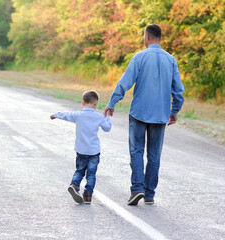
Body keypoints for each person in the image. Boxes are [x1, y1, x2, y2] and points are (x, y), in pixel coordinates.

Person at [104, 24, 185, 205]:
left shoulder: (139, 57)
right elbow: (178, 91)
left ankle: (137, 189)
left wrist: (112, 103)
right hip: (160, 115)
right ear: (160, 39)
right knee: (154, 155)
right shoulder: (171, 60)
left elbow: (124, 82)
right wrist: (174, 111)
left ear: (147, 37)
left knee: (136, 151)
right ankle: (149, 194)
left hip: (139, 113)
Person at [51, 90, 112, 204]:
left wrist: (55, 115)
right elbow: (107, 128)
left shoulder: (78, 115)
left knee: (79, 171)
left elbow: (66, 115)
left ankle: (74, 185)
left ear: (83, 103)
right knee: (91, 174)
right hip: (94, 151)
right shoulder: (99, 117)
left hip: (81, 151)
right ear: (96, 103)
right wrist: (107, 117)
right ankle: (88, 196)